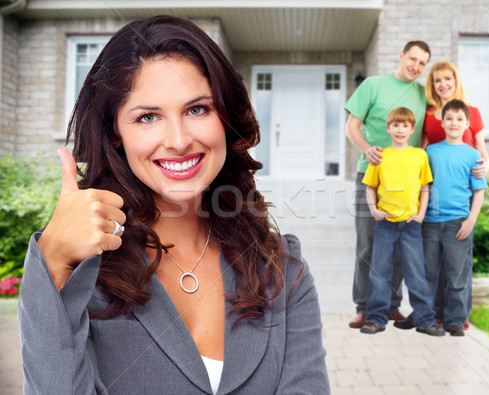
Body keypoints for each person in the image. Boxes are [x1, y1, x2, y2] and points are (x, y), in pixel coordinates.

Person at [18, 15, 329, 394]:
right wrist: (52, 261)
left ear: (225, 117)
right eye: (148, 117)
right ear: (115, 134)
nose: (179, 140)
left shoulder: (283, 269)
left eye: (197, 109)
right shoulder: (84, 275)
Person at [344, 41, 431, 329]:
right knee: (368, 245)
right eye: (413, 59)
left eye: (422, 63)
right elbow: (351, 127)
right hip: (372, 177)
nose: (416, 67)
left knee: (399, 248)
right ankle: (364, 307)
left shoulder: (423, 94)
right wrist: (366, 148)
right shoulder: (373, 85)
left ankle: (391, 306)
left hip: (407, 183)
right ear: (402, 55)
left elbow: (426, 134)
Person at [359, 107, 444, 337]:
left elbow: (425, 188)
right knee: (380, 273)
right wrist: (374, 210)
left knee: (416, 273)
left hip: (411, 225)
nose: (400, 130)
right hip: (385, 224)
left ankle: (425, 320)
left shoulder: (419, 155)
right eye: (395, 125)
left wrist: (421, 214)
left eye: (405, 126)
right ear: (388, 128)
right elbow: (370, 187)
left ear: (412, 129)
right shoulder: (380, 156)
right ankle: (376, 319)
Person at [423, 61, 489, 328]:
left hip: (461, 198)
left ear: (455, 80)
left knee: (459, 267)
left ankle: (458, 316)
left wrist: (484, 165)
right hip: (434, 208)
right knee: (434, 267)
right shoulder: (429, 115)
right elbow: (422, 154)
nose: (443, 84)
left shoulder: (472, 112)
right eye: (438, 80)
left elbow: (482, 151)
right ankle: (436, 314)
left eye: (448, 79)